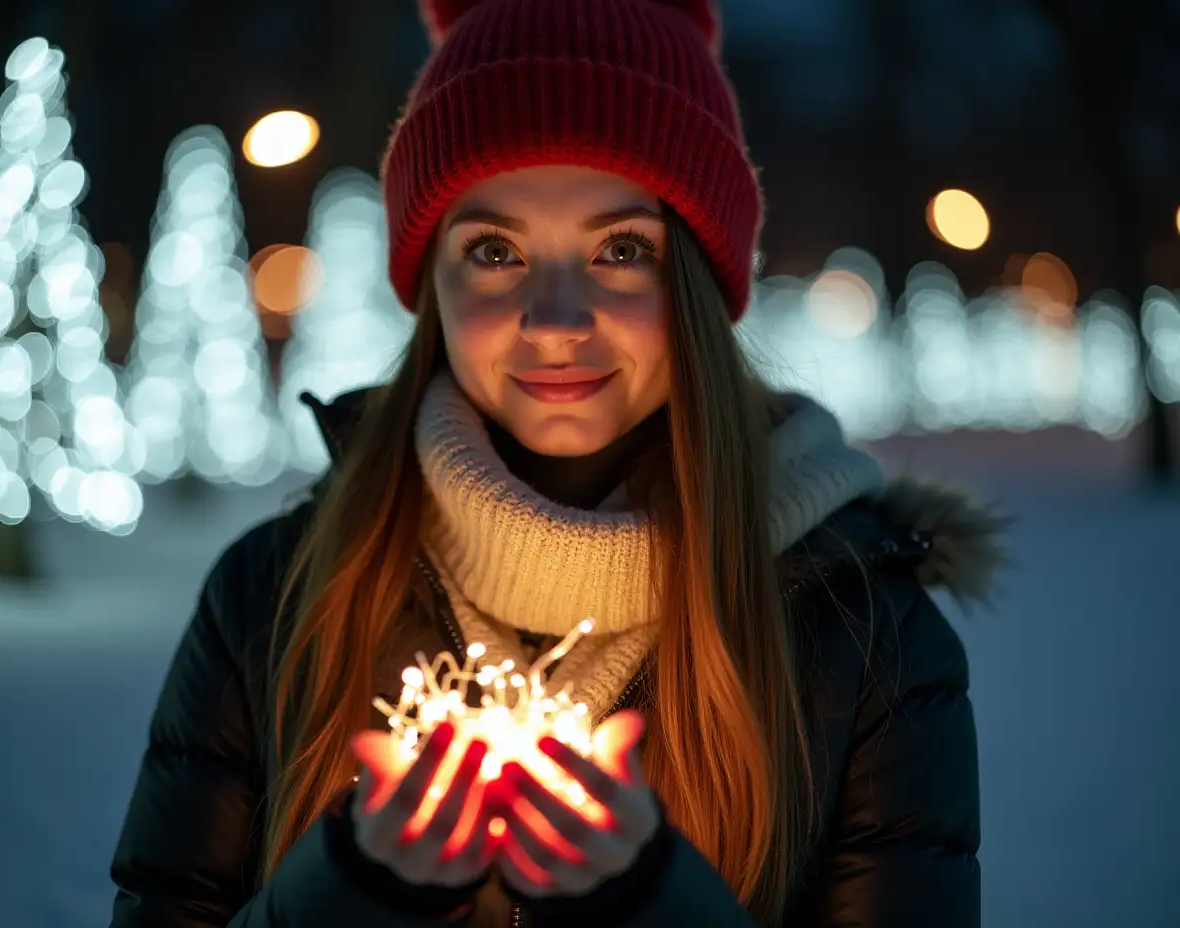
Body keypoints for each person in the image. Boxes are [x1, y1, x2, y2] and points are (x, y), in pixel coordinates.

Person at [110, 0, 1008, 925]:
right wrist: (340, 896)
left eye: (622, 250)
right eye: (494, 251)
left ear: (696, 279)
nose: (554, 318)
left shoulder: (866, 636)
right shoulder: (273, 600)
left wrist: (659, 907)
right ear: (431, 285)